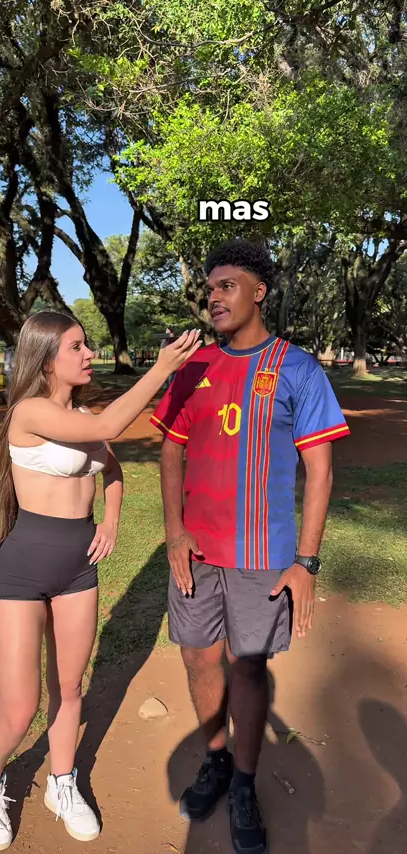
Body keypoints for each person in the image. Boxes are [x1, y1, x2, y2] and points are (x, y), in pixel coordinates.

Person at [150, 238, 350, 854]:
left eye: (227, 286)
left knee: (247, 665)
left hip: (263, 555)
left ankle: (242, 782)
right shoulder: (194, 367)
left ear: (259, 292)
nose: (213, 297)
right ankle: (214, 759)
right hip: (196, 553)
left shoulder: (298, 368)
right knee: (197, 659)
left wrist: (306, 562)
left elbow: (320, 471)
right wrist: (175, 531)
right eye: (209, 288)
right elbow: (171, 448)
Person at [0, 311, 200, 852]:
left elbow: (111, 467)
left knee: (70, 690)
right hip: (23, 572)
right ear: (46, 358)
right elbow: (108, 430)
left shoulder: (79, 414)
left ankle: (62, 781)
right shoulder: (29, 411)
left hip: (78, 570)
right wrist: (162, 367)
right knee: (19, 708)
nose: (89, 353)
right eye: (76, 346)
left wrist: (111, 520)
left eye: (87, 344)